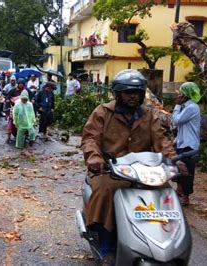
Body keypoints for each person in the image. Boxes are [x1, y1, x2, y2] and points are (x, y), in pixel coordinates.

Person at [80, 69, 186, 264]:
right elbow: (90, 138)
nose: (133, 96)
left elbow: (161, 140)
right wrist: (95, 159)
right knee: (106, 192)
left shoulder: (149, 114)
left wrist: (174, 160)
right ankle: (106, 245)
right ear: (117, 94)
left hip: (144, 170)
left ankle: (166, 242)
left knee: (164, 193)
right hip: (110, 170)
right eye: (128, 92)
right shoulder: (103, 112)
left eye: (137, 92)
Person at [172, 82, 201, 206]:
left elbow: (177, 120)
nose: (178, 95)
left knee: (187, 171)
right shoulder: (186, 107)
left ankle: (186, 196)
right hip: (181, 142)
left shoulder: (192, 107)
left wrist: (176, 106)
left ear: (185, 95)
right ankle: (179, 189)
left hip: (189, 145)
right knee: (177, 168)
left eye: (180, 93)